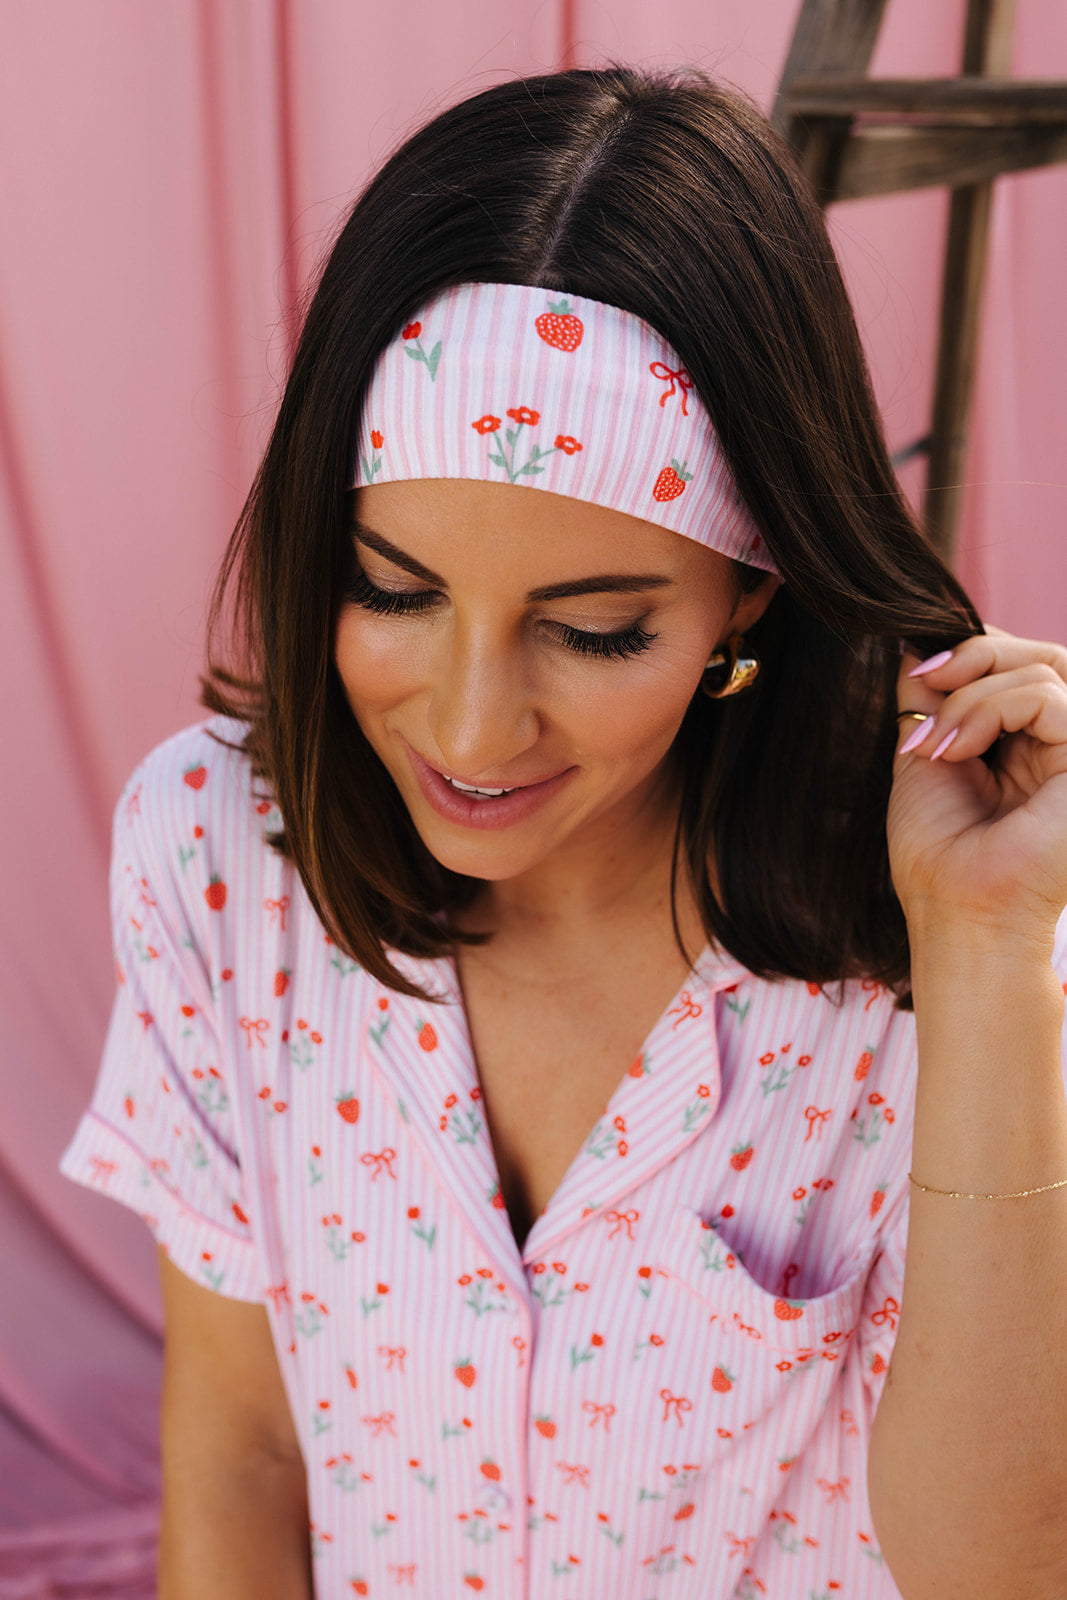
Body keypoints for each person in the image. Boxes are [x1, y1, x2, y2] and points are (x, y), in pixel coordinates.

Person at [59, 63, 1067, 1600]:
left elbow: (1001, 1569)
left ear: (755, 588)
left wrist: (994, 958)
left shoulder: (946, 943)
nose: (468, 734)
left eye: (594, 630)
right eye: (392, 590)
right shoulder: (215, 858)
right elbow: (241, 1454)